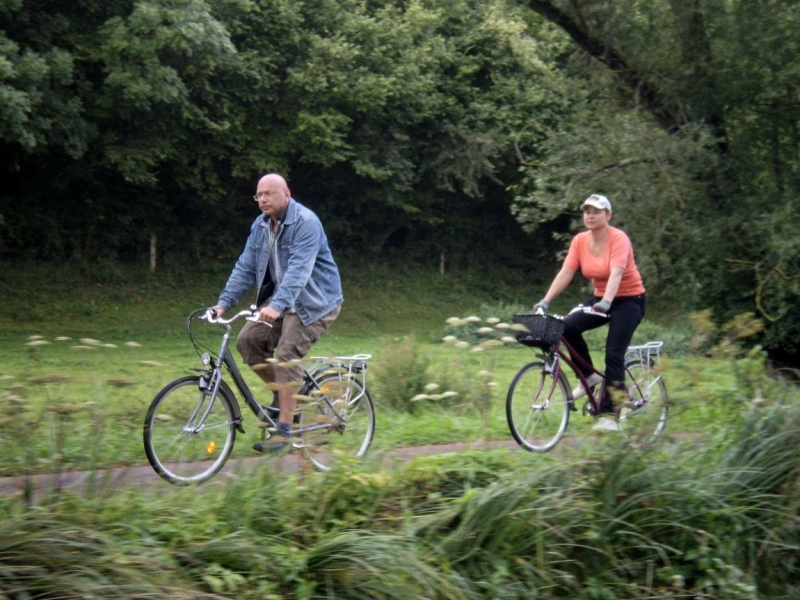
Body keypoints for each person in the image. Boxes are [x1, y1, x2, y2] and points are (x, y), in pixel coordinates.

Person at [211, 173, 343, 452]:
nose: (262, 200)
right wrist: (223, 304)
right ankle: (287, 397)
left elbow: (298, 272)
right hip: (281, 301)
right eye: (259, 195)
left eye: (269, 194)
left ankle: (284, 431)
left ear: (287, 194)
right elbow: (245, 267)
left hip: (316, 302)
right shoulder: (259, 227)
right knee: (248, 342)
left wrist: (275, 306)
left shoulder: (306, 223)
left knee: (286, 356)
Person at [532, 194, 646, 418]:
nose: (591, 216)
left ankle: (608, 415)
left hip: (629, 300)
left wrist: (606, 303)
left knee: (613, 354)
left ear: (608, 215)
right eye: (587, 212)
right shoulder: (580, 241)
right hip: (602, 298)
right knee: (566, 327)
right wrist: (546, 300)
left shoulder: (618, 239)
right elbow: (566, 272)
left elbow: (616, 273)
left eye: (596, 211)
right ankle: (589, 377)